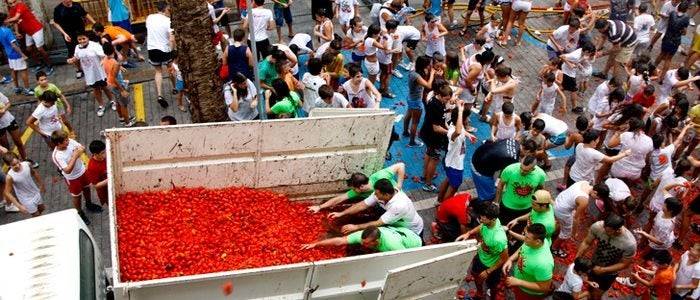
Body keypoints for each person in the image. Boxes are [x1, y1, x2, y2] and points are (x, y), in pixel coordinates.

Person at [329, 178, 424, 237]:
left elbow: (379, 223)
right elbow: (362, 205)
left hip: (411, 230)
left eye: (377, 194)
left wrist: (356, 227)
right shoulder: (382, 193)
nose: (375, 196)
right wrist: (341, 213)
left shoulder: (399, 205)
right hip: (395, 221)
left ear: (386, 194)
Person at [575, 214, 637, 299]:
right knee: (590, 286)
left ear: (618, 230)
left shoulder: (629, 244)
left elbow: (624, 264)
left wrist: (603, 270)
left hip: (609, 273)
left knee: (597, 295)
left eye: (608, 231)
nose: (604, 231)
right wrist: (576, 259)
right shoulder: (598, 227)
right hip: (593, 264)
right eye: (604, 228)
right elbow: (586, 242)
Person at [456, 202, 508, 300]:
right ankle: (480, 294)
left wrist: (488, 271)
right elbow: (482, 226)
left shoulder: (499, 239)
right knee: (476, 276)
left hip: (491, 265)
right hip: (480, 256)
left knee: (493, 286)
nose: (480, 219)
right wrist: (469, 233)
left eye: (484, 218)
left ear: (493, 219)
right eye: (481, 216)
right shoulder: (488, 222)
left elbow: (504, 259)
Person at [308, 162, 405, 213]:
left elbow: (401, 165)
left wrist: (399, 185)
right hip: (385, 204)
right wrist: (319, 207)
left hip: (398, 200)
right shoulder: (360, 191)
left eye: (354, 188)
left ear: (361, 186)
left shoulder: (379, 176)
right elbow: (340, 198)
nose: (353, 191)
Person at [51, 130, 102, 225]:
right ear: (59, 143)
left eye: (67, 139)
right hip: (72, 178)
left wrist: (78, 152)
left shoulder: (69, 141)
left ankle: (89, 204)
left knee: (87, 188)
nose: (68, 141)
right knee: (77, 196)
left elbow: (82, 148)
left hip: (82, 171)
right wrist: (74, 156)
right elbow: (67, 170)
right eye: (65, 141)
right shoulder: (57, 156)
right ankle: (79, 212)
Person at [553, 181, 609, 257]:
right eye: (598, 198)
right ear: (595, 192)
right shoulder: (584, 199)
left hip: (559, 200)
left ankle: (555, 233)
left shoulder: (584, 182)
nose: (597, 200)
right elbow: (576, 218)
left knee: (562, 223)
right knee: (566, 233)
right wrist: (574, 233)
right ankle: (555, 248)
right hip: (562, 210)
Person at [68, 31, 114, 118]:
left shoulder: (95, 46)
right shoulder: (77, 47)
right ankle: (101, 106)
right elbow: (77, 57)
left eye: (83, 39)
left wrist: (103, 63)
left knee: (105, 87)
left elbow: (104, 55)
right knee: (96, 90)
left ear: (88, 38)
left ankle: (112, 101)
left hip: (99, 72)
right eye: (79, 39)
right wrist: (72, 60)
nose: (82, 41)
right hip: (89, 73)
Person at [502, 223, 554, 299]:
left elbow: (544, 287)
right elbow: (523, 248)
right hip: (520, 282)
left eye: (527, 238)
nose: (524, 239)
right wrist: (510, 259)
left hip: (528, 293)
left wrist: (518, 282)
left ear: (538, 241)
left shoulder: (544, 263)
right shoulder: (538, 241)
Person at [438, 101, 476, 202]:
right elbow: (458, 131)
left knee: (448, 180)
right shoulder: (452, 132)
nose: (468, 120)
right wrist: (460, 111)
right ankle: (444, 207)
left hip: (450, 162)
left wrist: (468, 134)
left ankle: (439, 201)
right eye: (467, 118)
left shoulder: (455, 125)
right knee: (453, 188)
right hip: (455, 166)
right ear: (461, 119)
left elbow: (461, 130)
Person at [419, 84, 453, 192]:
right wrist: (450, 132)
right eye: (446, 99)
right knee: (434, 159)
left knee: (428, 154)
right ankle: (428, 183)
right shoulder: (437, 106)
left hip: (426, 133)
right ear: (440, 95)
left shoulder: (435, 100)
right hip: (433, 137)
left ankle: (424, 176)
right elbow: (436, 128)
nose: (447, 101)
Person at [495, 155, 546, 226]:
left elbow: (541, 189)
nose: (522, 171)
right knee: (503, 226)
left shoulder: (540, 175)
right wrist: (497, 202)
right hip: (507, 206)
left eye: (526, 170)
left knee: (520, 227)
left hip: (527, 208)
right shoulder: (509, 170)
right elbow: (500, 185)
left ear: (533, 169)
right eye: (521, 168)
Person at [6, 0, 54, 74]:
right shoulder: (12, 10)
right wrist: (17, 32)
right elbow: (15, 22)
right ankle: (39, 63)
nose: (13, 4)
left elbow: (16, 18)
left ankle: (50, 66)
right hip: (28, 32)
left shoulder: (21, 5)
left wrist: (5, 21)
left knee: (40, 49)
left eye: (14, 2)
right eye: (10, 3)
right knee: (29, 49)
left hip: (36, 29)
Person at [51, 0, 95, 79]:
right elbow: (55, 22)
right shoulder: (58, 9)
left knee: (86, 48)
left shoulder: (76, 5)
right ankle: (79, 69)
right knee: (73, 52)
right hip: (68, 34)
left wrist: (95, 23)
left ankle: (90, 66)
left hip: (80, 31)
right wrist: (64, 34)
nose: (68, 1)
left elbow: (85, 14)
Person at [301, 225, 422, 252]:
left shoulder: (393, 246)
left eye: (367, 244)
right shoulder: (363, 236)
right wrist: (316, 244)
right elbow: (340, 241)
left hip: (415, 243)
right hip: (403, 232)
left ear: (377, 241)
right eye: (363, 242)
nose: (363, 245)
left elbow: (404, 259)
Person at [145, 1, 175, 108]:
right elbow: (171, 39)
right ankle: (175, 87)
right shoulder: (168, 21)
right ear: (166, 9)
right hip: (165, 49)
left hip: (152, 48)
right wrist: (172, 51)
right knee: (170, 68)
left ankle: (159, 94)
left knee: (158, 71)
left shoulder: (149, 17)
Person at [608, 117, 653, 181]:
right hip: (636, 173)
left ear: (630, 126)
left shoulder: (626, 135)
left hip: (619, 169)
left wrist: (617, 133)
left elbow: (610, 145)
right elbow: (647, 157)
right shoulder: (649, 140)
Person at [404, 56, 435, 147]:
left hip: (410, 98)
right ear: (424, 66)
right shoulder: (417, 76)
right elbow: (428, 86)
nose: (430, 66)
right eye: (429, 65)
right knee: (415, 122)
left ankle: (405, 132)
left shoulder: (414, 70)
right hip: (416, 101)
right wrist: (432, 74)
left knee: (408, 115)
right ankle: (412, 142)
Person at [655, 1, 690, 80]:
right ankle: (662, 77)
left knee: (661, 54)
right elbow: (684, 32)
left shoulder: (672, 13)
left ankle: (652, 68)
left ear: (678, 7)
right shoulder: (686, 18)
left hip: (667, 37)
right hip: (675, 41)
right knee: (669, 59)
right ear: (686, 10)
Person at [2, 152, 44, 217]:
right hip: (26, 199)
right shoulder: (10, 177)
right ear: (8, 165)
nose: (17, 165)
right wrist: (19, 206)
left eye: (18, 162)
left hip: (35, 192)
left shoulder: (26, 164)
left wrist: (41, 185)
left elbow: (34, 173)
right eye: (14, 165)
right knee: (36, 215)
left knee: (42, 209)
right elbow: (7, 192)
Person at [102, 43, 134, 127]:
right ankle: (128, 122)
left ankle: (121, 118)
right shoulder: (115, 63)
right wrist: (122, 90)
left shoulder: (105, 59)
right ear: (113, 49)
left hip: (110, 84)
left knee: (118, 102)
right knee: (124, 105)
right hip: (117, 86)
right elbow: (114, 78)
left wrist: (119, 67)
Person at [0, 13, 32, 96]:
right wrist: (22, 54)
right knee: (23, 70)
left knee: (14, 70)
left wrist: (15, 36)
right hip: (16, 54)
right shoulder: (7, 31)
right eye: (7, 19)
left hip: (9, 54)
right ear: (3, 21)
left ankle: (17, 88)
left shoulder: (1, 30)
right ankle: (27, 89)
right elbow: (14, 45)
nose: (8, 20)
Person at [0, 92, 29, 165]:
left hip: (9, 120)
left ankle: (25, 160)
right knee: (6, 147)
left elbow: (8, 103)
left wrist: (4, 110)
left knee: (18, 142)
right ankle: (12, 164)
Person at [86, 140, 108, 205]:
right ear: (95, 154)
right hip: (105, 191)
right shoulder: (92, 167)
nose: (105, 154)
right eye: (103, 153)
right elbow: (95, 185)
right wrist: (109, 180)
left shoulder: (104, 157)